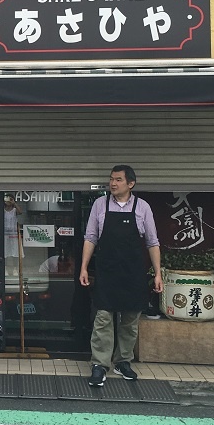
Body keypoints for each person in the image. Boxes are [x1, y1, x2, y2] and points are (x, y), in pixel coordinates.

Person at [79, 165, 163, 387]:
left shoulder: (142, 207)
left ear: (130, 184)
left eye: (118, 180)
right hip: (107, 272)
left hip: (133, 272)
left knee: (130, 321)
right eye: (111, 179)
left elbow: (152, 243)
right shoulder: (100, 204)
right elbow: (90, 237)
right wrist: (84, 267)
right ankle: (100, 364)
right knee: (103, 318)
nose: (113, 183)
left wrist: (157, 274)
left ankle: (123, 361)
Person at [3, 194, 24, 276]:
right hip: (4, 234)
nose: (8, 201)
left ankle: (15, 269)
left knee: (15, 252)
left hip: (13, 234)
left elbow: (20, 212)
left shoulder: (14, 210)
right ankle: (5, 268)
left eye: (10, 199)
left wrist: (14, 203)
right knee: (5, 252)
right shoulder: (2, 210)